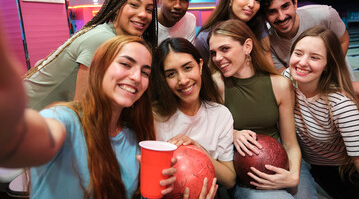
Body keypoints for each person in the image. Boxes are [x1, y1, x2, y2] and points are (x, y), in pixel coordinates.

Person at [1, 35, 180, 198]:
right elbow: (20, 142)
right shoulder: (65, 119)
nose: (136, 77)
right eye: (126, 64)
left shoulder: (134, 137)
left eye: (145, 72)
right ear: (99, 67)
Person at [208, 19, 316, 199]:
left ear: (247, 46)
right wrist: (232, 133)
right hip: (246, 169)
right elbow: (209, 131)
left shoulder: (280, 85)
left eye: (225, 49)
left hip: (282, 157)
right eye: (213, 53)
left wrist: (294, 176)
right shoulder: (217, 84)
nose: (218, 58)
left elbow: (289, 143)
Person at [24, 0, 158, 111]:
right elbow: (82, 107)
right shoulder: (103, 39)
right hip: (26, 112)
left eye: (149, 10)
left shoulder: (116, 40)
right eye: (134, 5)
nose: (143, 14)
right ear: (117, 6)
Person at [282, 26, 359, 199]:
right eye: (298, 53)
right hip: (312, 166)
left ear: (327, 65)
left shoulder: (341, 106)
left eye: (314, 57)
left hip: (344, 171)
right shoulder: (289, 79)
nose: (302, 62)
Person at [151, 38, 236, 190]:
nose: (183, 80)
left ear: (200, 66)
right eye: (171, 74)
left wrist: (198, 150)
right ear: (163, 79)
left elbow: (230, 179)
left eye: (188, 68)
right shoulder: (154, 116)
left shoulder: (220, 115)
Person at [262, 0, 350, 73]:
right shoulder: (267, 42)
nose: (281, 17)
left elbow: (343, 40)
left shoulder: (325, 15)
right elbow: (285, 78)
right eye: (272, 12)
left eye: (285, 6)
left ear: (295, 3)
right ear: (265, 16)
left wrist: (330, 72)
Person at [195, 0, 272, 64]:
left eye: (257, 0)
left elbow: (268, 63)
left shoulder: (258, 25)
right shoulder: (205, 37)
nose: (252, 4)